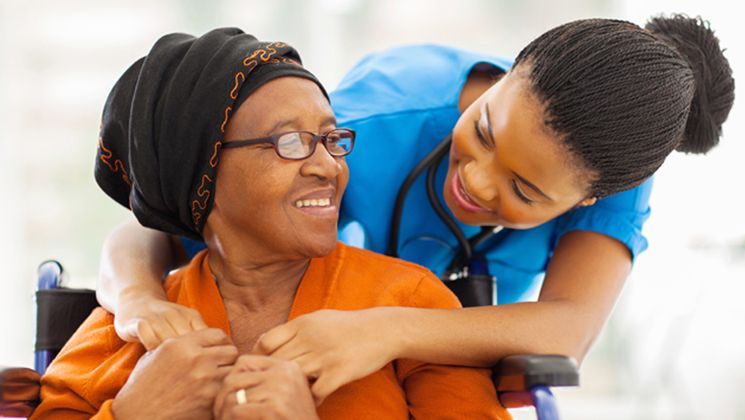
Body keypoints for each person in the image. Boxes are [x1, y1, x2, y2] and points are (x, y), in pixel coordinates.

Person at [96, 15, 735, 402]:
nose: (479, 185)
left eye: (525, 191)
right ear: (507, 75)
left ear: (589, 199)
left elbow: (568, 330)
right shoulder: (373, 122)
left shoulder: (611, 172)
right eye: (483, 131)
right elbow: (146, 226)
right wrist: (137, 301)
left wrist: (384, 328)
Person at [31, 28, 510, 419]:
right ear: (202, 171)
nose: (329, 165)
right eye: (290, 142)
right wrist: (134, 413)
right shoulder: (130, 326)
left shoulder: (410, 304)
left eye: (330, 137)